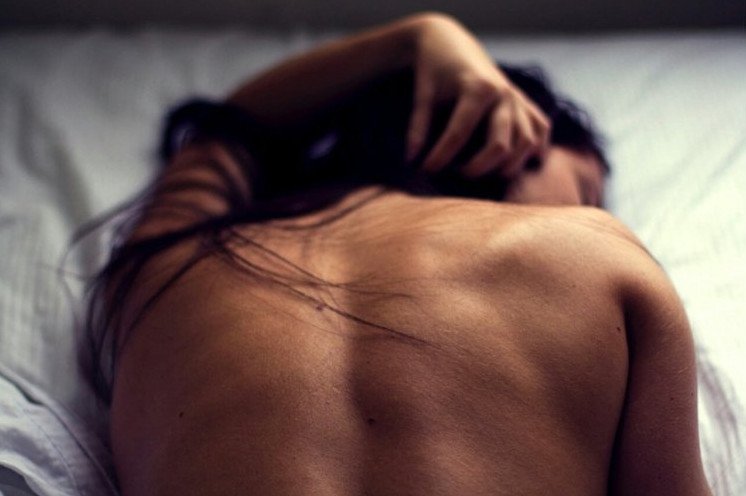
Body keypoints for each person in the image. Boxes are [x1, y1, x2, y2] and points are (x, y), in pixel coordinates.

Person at [86, 12, 712, 495]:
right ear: (519, 143)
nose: (592, 207)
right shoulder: (598, 253)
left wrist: (418, 36)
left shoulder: (172, 260)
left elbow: (225, 129)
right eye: (586, 188)